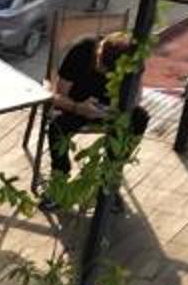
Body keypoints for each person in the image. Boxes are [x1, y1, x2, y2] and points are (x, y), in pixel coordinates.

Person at [45, 30, 138, 189]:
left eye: (108, 72)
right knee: (57, 126)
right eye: (100, 66)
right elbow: (58, 97)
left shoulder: (129, 63)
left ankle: (109, 176)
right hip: (77, 105)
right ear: (99, 51)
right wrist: (78, 108)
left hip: (110, 109)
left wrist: (116, 109)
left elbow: (135, 99)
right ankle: (59, 180)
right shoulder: (82, 50)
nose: (102, 72)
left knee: (139, 118)